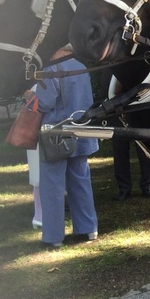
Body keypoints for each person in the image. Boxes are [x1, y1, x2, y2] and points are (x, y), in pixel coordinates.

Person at [33, 45, 98, 247]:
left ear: (59, 49)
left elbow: (45, 103)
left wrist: (30, 98)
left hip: (55, 133)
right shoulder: (81, 67)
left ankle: (53, 237)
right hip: (80, 131)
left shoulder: (50, 69)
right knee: (81, 181)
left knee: (52, 185)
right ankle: (89, 229)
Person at [98, 71, 150, 200]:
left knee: (144, 149)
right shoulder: (110, 71)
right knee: (120, 151)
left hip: (138, 110)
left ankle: (148, 185)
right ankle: (124, 188)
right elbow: (104, 93)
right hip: (116, 113)